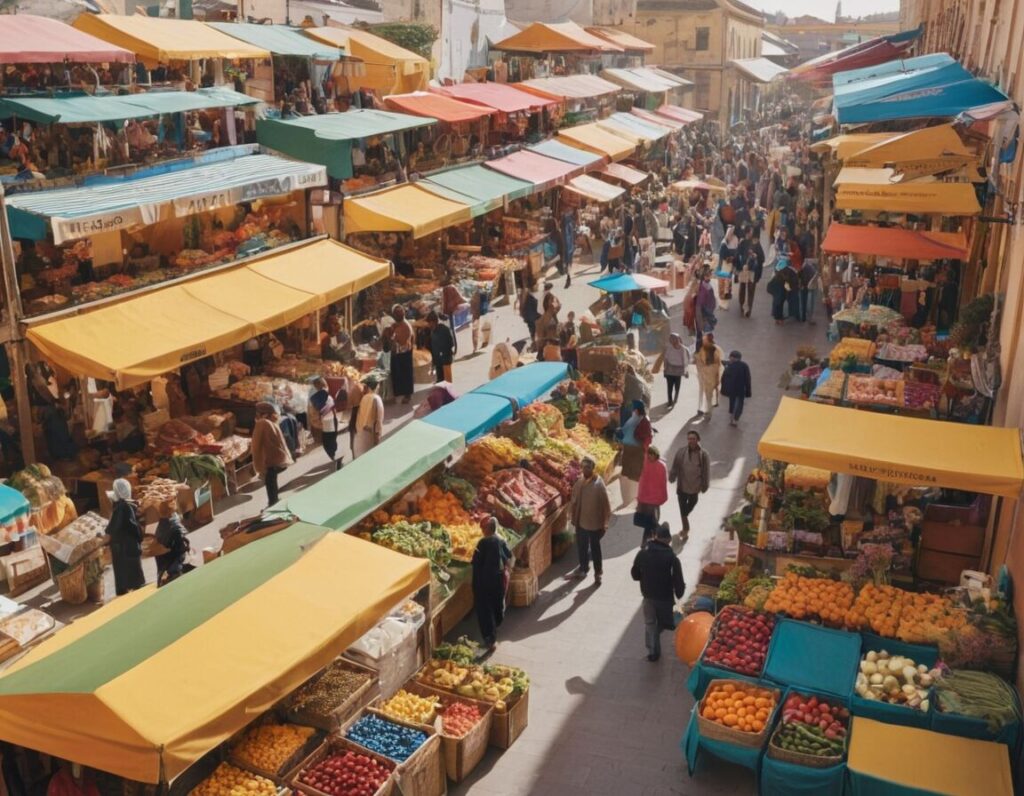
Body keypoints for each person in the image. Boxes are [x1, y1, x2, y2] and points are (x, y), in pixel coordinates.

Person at [630, 523, 685, 661]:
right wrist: (679, 594)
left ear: (655, 537)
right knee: (665, 623)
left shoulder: (643, 552)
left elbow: (635, 574)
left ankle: (653, 651)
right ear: (669, 540)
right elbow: (678, 579)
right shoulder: (672, 558)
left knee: (649, 623)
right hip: (665, 597)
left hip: (647, 594)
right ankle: (656, 643)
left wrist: (644, 577)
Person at [568, 456, 611, 586]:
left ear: (593, 468)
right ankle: (583, 568)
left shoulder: (599, 484)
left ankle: (598, 573)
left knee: (595, 549)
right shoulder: (580, 482)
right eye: (583, 467)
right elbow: (574, 500)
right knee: (581, 546)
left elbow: (606, 505)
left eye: (588, 467)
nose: (585, 470)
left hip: (594, 524)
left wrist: (605, 523)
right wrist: (573, 516)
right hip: (581, 521)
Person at [472, 515, 512, 652]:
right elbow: (509, 556)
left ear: (487, 529)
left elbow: (476, 564)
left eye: (482, 528)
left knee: (485, 609)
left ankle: (490, 640)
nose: (482, 531)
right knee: (496, 604)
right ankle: (495, 626)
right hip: (498, 579)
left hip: (485, 581)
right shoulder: (501, 540)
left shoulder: (482, 544)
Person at [104, 478, 145, 595]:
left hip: (121, 544)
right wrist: (139, 536)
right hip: (127, 544)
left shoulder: (121, 506)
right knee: (132, 573)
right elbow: (131, 525)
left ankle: (125, 591)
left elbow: (114, 526)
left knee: (122, 572)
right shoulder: (125, 506)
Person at [669, 430, 710, 536]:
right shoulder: (681, 452)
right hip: (682, 485)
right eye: (689, 439)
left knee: (692, 503)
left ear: (698, 440)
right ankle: (685, 529)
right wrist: (672, 476)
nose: (691, 441)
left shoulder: (704, 455)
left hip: (694, 487)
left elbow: (706, 471)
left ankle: (684, 518)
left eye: (693, 439)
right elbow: (675, 465)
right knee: (682, 508)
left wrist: (705, 485)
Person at [252, 401, 293, 506]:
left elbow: (256, 446)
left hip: (270, 460)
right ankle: (274, 501)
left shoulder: (262, 423)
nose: (255, 415)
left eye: (257, 413)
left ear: (263, 414)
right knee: (272, 482)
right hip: (278, 458)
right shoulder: (273, 422)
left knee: (270, 483)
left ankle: (273, 503)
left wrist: (257, 466)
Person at [636, 446, 668, 545]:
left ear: (656, 454)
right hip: (645, 498)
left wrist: (663, 497)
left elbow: (663, 483)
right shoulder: (644, 463)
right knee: (650, 522)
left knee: (649, 522)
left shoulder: (661, 466)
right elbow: (641, 481)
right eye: (648, 454)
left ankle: (646, 542)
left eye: (652, 454)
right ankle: (652, 538)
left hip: (654, 499)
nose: (650, 456)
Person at [309, 377, 343, 471]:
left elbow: (315, 414)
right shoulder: (326, 394)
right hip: (333, 420)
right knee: (332, 441)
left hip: (327, 424)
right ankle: (337, 459)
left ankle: (336, 460)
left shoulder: (317, 397)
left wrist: (318, 424)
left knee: (328, 444)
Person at [154, 503, 189, 586]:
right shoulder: (175, 526)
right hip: (173, 566)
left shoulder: (158, 529)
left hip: (162, 569)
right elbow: (182, 547)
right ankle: (175, 572)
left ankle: (168, 573)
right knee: (182, 551)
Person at [388, 305, 415, 403]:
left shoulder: (405, 325)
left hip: (404, 353)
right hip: (397, 353)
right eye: (396, 312)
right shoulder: (396, 325)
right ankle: (398, 394)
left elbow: (403, 341)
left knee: (406, 374)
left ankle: (407, 395)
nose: (398, 314)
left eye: (400, 312)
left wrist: (395, 340)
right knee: (397, 374)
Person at [353, 376, 384, 457]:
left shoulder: (364, 398)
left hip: (361, 432)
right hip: (371, 434)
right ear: (376, 386)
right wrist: (377, 435)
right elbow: (378, 419)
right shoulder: (376, 399)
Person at [720, 350, 752, 426]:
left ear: (733, 358)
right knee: (739, 405)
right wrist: (748, 390)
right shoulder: (744, 365)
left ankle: (733, 419)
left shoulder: (730, 366)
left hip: (732, 390)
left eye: (730, 357)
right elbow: (748, 379)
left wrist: (724, 389)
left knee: (733, 404)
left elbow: (724, 378)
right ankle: (735, 419)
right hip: (741, 390)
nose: (729, 358)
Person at [694, 333, 723, 418]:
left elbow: (718, 362)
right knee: (708, 394)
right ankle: (707, 410)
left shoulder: (713, 349)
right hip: (708, 376)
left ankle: (706, 410)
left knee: (707, 393)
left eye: (704, 340)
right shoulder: (713, 349)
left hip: (708, 376)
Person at [661, 332, 691, 408]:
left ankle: (675, 398)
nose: (672, 341)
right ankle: (670, 401)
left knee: (677, 387)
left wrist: (686, 371)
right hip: (670, 371)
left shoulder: (683, 349)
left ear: (678, 340)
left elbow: (686, 361)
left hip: (678, 371)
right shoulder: (669, 348)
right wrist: (665, 369)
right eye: (671, 340)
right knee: (669, 387)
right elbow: (666, 359)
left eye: (673, 340)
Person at [427, 311, 455, 383]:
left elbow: (451, 343)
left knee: (447, 381)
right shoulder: (432, 331)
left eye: (430, 323)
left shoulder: (444, 329)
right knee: (440, 380)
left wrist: (443, 353)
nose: (429, 325)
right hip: (438, 360)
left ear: (434, 322)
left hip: (445, 359)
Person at [441, 280, 466, 354]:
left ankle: (452, 347)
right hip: (452, 309)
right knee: (452, 329)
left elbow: (444, 302)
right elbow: (459, 297)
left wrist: (443, 311)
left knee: (450, 329)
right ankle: (454, 347)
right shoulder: (452, 287)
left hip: (448, 311)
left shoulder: (445, 289)